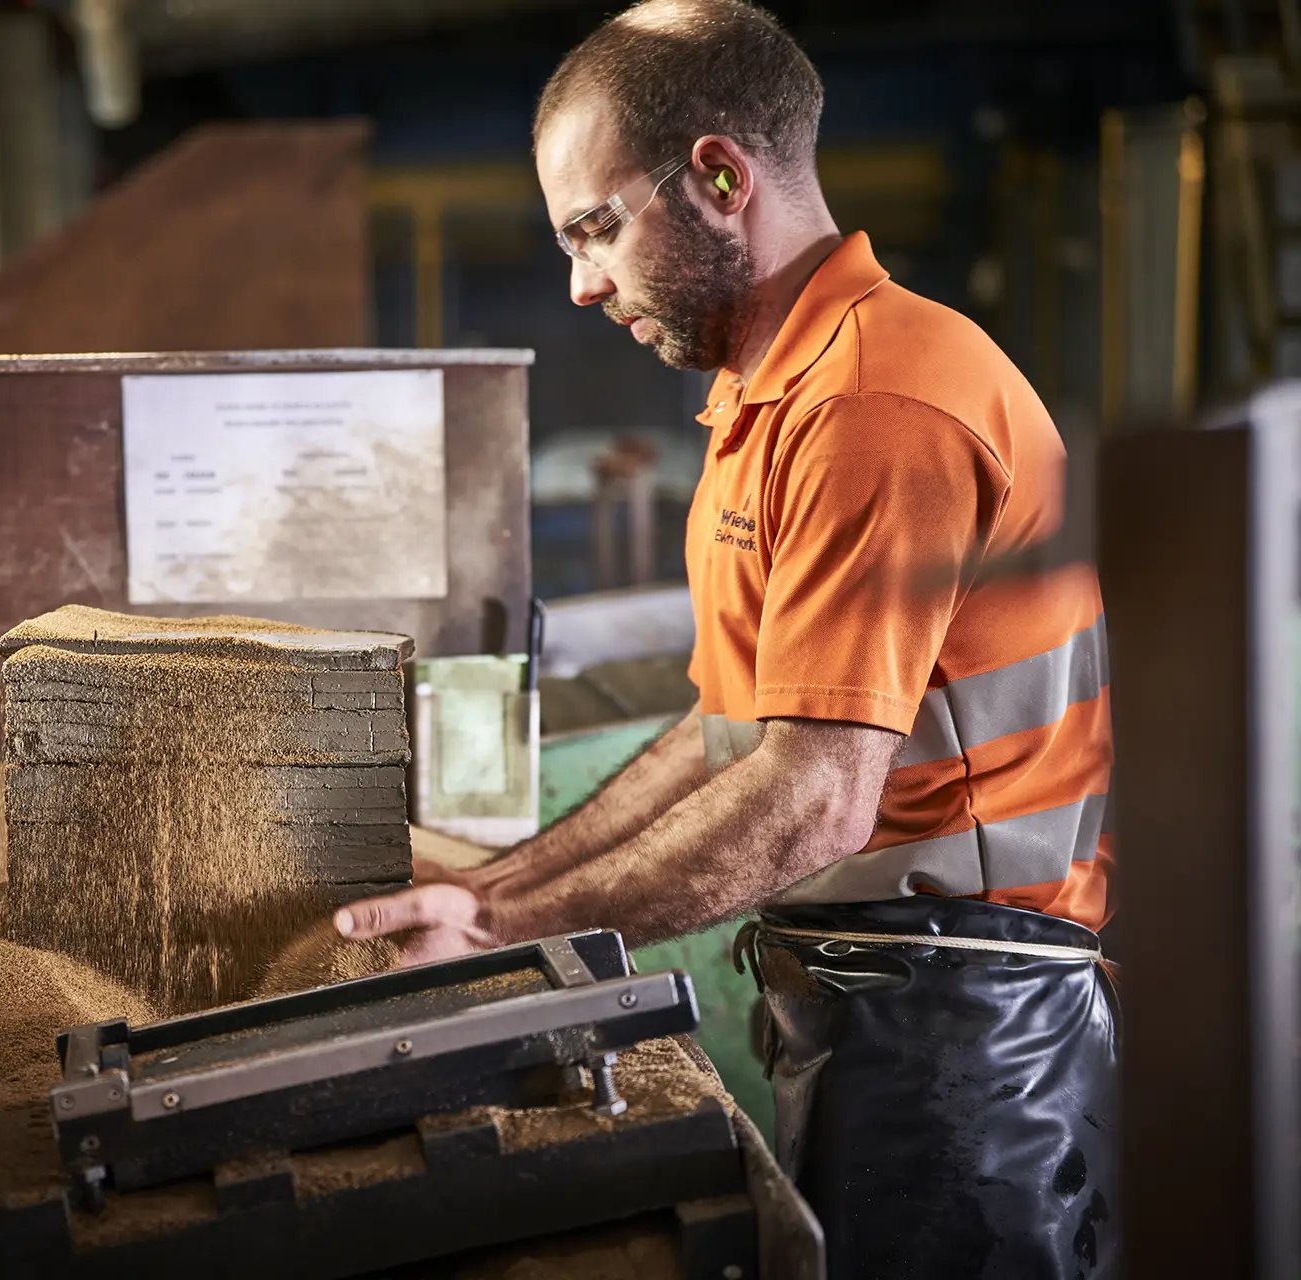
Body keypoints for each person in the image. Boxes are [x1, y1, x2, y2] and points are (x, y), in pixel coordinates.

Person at [334, 3, 1118, 1277]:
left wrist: (512, 940)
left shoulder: (880, 400)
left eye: (596, 228)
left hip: (975, 1028)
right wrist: (495, 898)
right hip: (878, 996)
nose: (582, 282)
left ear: (717, 177)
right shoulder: (772, 400)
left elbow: (812, 802)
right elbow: (730, 734)